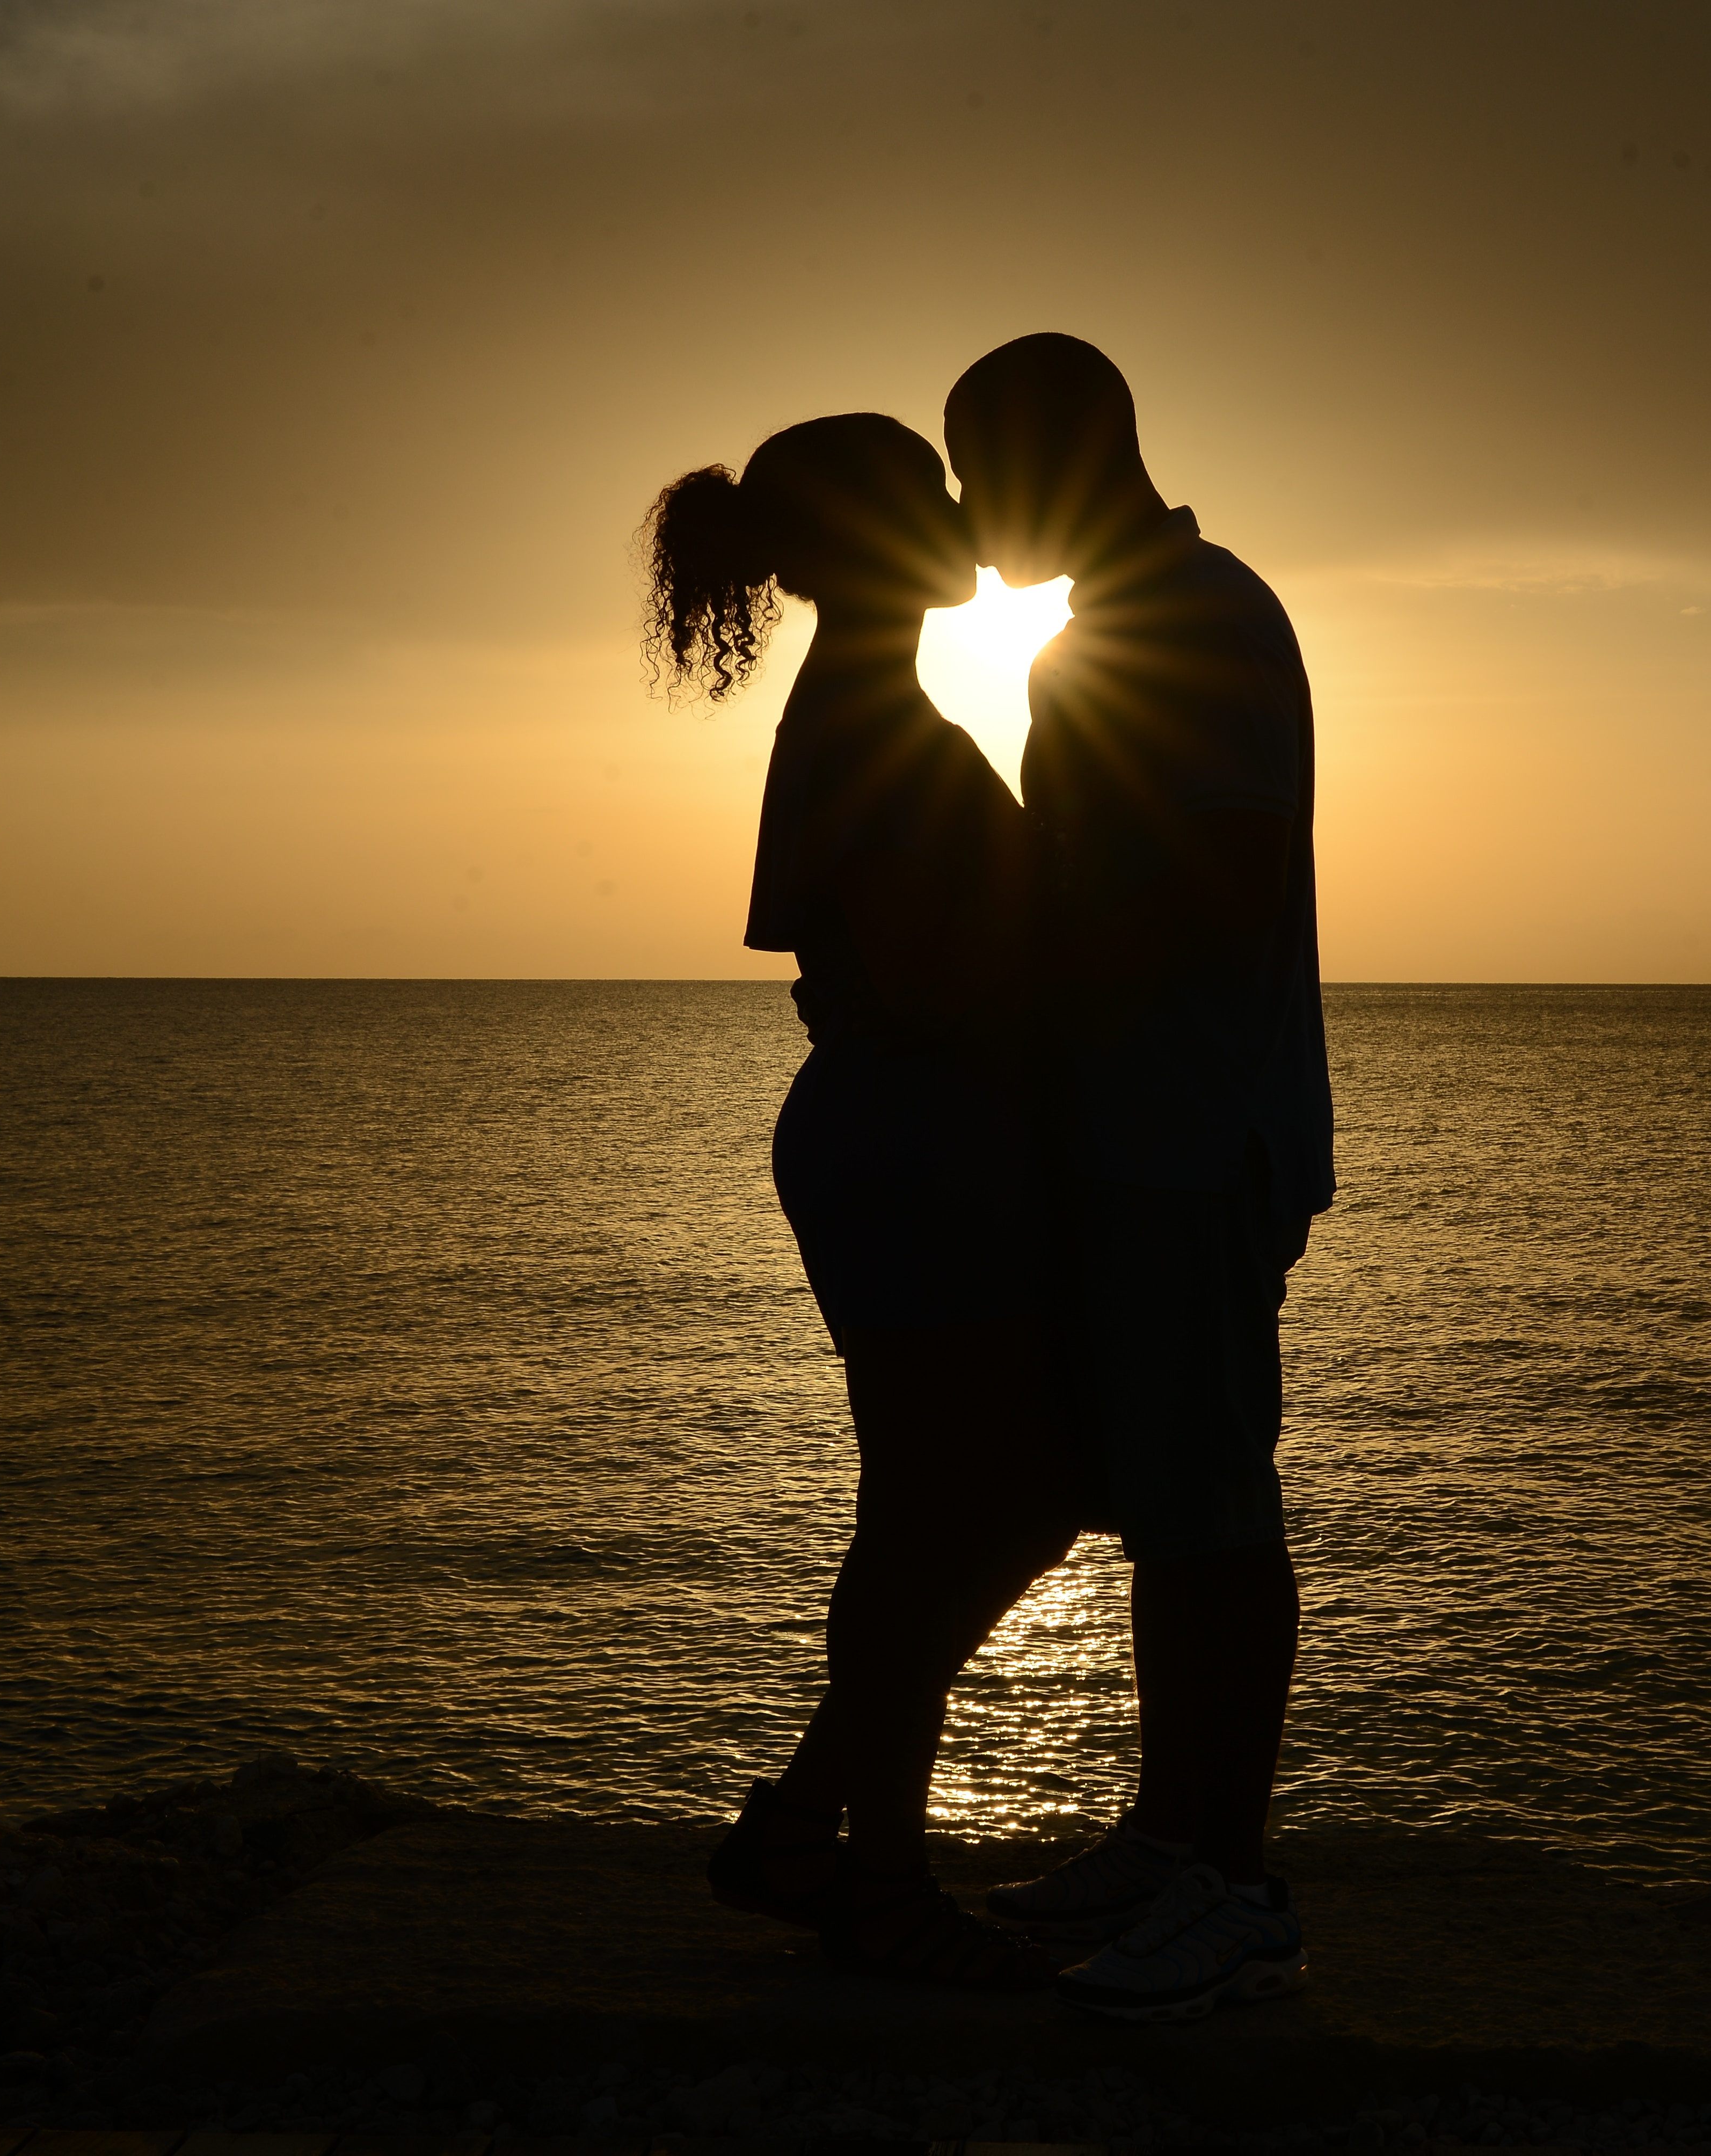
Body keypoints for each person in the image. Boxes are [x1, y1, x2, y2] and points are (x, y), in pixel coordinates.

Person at [643, 412, 1078, 1990]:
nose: (969, 512)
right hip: (915, 1138)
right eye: (934, 492)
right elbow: (931, 975)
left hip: (910, 1130)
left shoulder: (868, 706)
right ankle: (875, 1879)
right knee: (930, 1517)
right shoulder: (870, 724)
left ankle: (809, 1827)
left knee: (1017, 1494)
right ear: (877, 533)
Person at [946, 334, 1337, 2023]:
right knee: (1170, 1503)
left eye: (980, 472)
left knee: (1211, 1506)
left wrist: (1019, 929)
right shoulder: (1108, 632)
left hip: (1193, 1132)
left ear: (1064, 455)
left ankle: (1230, 1885)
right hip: (1141, 1129)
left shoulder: (1196, 621)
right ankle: (1171, 1839)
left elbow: (1222, 882)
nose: (964, 511)